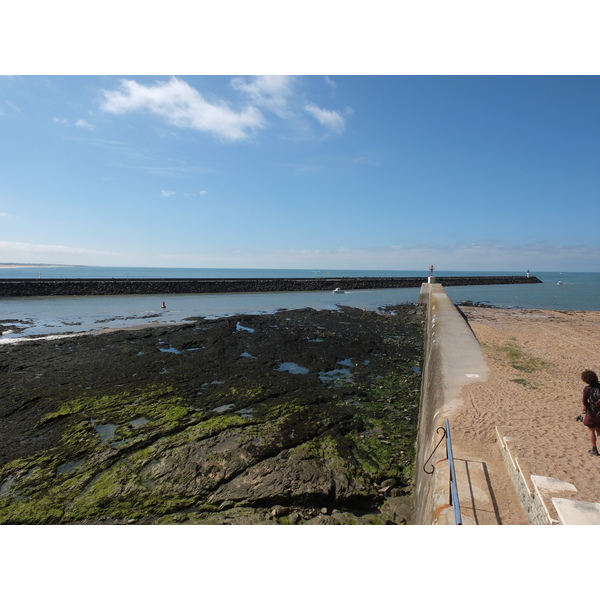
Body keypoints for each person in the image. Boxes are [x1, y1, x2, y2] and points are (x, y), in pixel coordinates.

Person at [580, 370, 600, 455]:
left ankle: (594, 449)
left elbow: (584, 401)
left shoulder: (587, 389)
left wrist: (586, 407)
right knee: (599, 430)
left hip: (592, 411)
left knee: (591, 430)